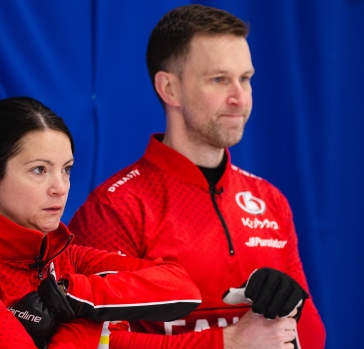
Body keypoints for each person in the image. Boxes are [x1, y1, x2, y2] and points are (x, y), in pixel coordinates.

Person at [68, 4, 326, 349]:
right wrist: (226, 341)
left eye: (245, 79)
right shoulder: (115, 208)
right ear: (169, 89)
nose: (239, 98)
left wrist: (292, 310)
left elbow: (312, 339)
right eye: (219, 80)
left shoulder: (268, 199)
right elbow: (96, 343)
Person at [0, 96, 202, 348]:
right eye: (39, 170)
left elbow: (182, 286)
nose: (60, 187)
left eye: (67, 170)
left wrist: (76, 297)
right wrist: (89, 320)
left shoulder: (67, 260)